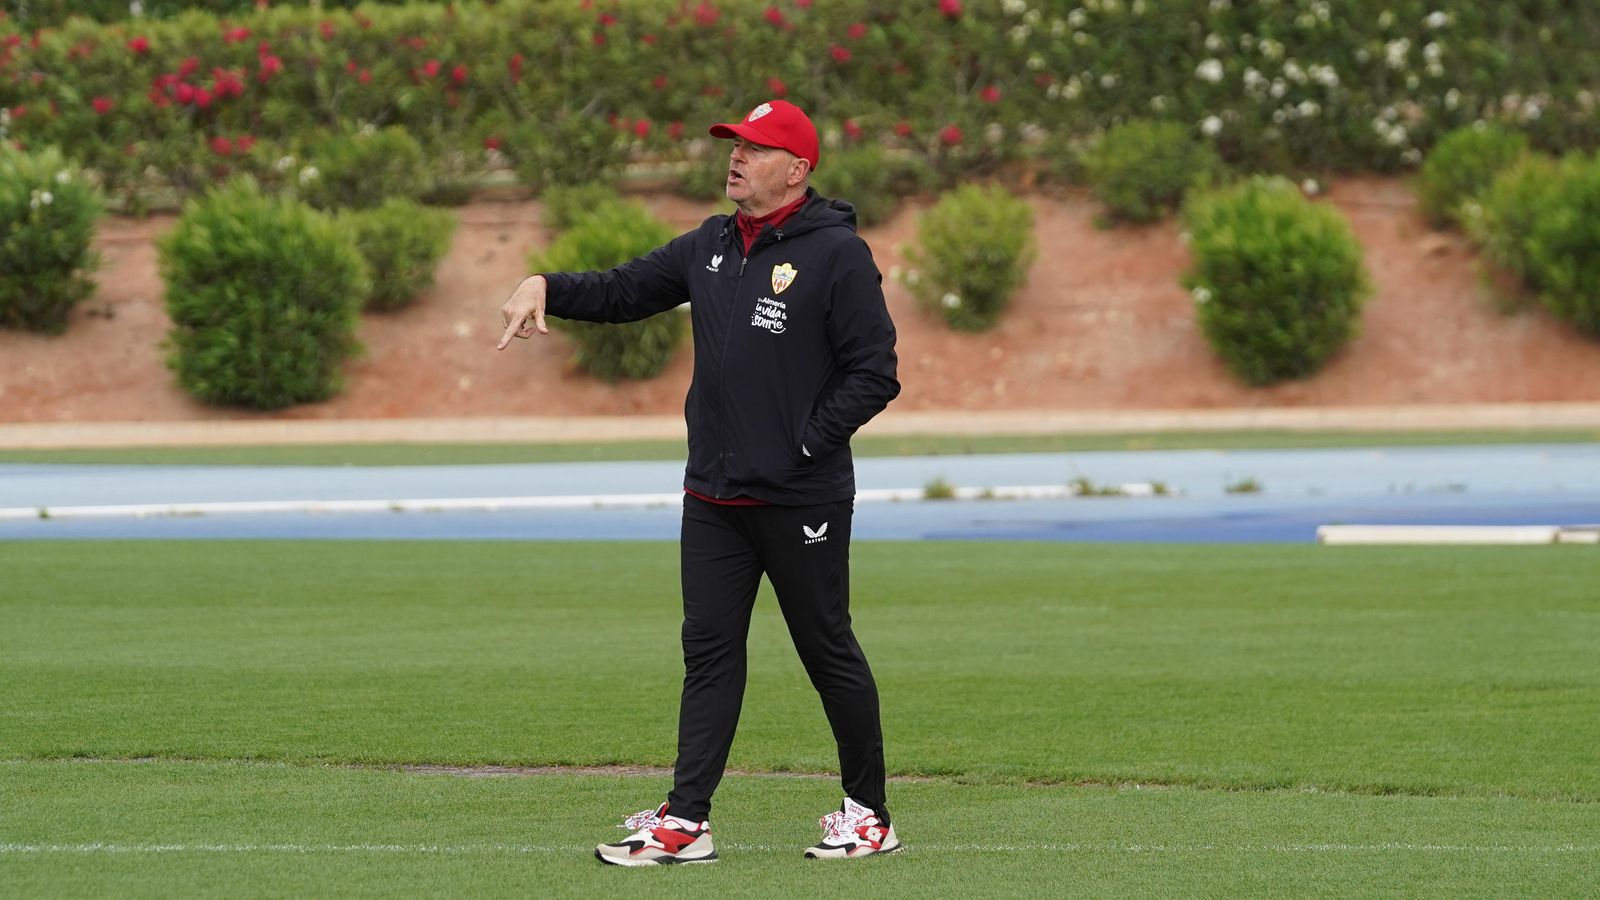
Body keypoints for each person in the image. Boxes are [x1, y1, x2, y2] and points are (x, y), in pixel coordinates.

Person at [497, 99, 901, 866]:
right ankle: (686, 821)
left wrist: (803, 447)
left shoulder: (837, 255)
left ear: (798, 168)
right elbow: (622, 291)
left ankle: (869, 814)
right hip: (712, 496)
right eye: (734, 145)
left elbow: (875, 374)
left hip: (799, 497)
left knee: (826, 649)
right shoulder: (711, 245)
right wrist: (543, 283)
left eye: (755, 147)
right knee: (709, 653)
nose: (737, 157)